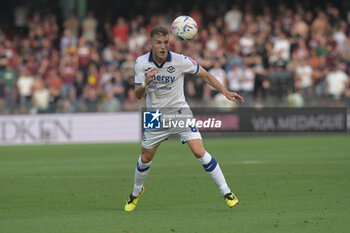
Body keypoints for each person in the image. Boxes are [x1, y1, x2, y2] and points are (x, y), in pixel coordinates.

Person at [124, 26, 244, 211]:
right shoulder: (141, 63)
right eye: (158, 42)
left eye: (166, 42)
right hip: (155, 116)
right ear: (151, 43)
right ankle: (136, 192)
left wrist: (225, 92)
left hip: (180, 111)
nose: (163, 46)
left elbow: (206, 75)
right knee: (146, 157)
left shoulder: (181, 61)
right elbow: (138, 94)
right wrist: (146, 83)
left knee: (199, 152)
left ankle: (226, 191)